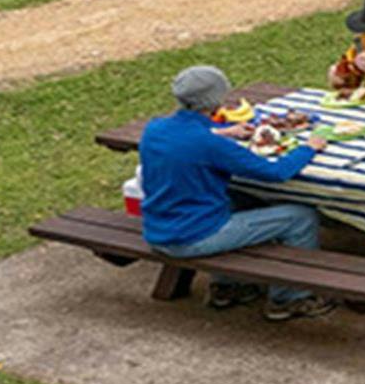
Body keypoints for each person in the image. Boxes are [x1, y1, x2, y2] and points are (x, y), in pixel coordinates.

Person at [140, 64, 337, 321]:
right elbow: (276, 173)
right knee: (301, 217)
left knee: (240, 198)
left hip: (158, 228)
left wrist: (223, 132)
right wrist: (309, 147)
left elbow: (189, 139)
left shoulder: (154, 129)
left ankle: (228, 287)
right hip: (191, 237)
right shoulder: (212, 144)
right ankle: (289, 300)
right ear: (217, 100)